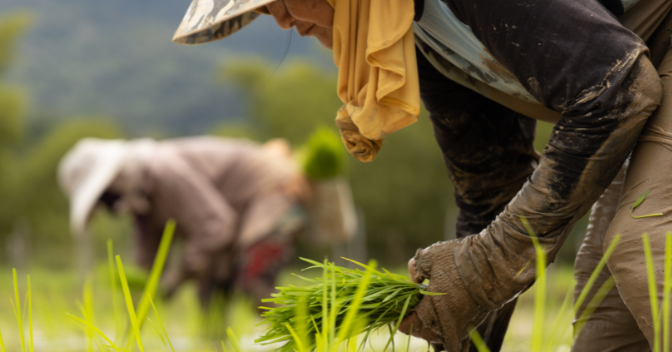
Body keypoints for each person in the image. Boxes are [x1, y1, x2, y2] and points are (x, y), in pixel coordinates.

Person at [171, 0, 672, 350]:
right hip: (643, 65)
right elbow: (491, 191)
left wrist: (488, 265)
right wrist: (457, 314)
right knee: (611, 315)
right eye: (261, 9)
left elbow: (617, 91)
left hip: (645, 63)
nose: (279, 18)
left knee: (644, 244)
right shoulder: (421, 33)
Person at [58, 136, 312, 308]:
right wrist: (142, 299)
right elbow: (148, 258)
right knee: (209, 295)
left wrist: (175, 280)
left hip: (274, 192)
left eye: (103, 198)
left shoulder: (163, 170)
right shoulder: (143, 202)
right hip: (236, 213)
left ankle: (307, 339)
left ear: (115, 179)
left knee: (253, 278)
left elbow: (216, 226)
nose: (107, 207)